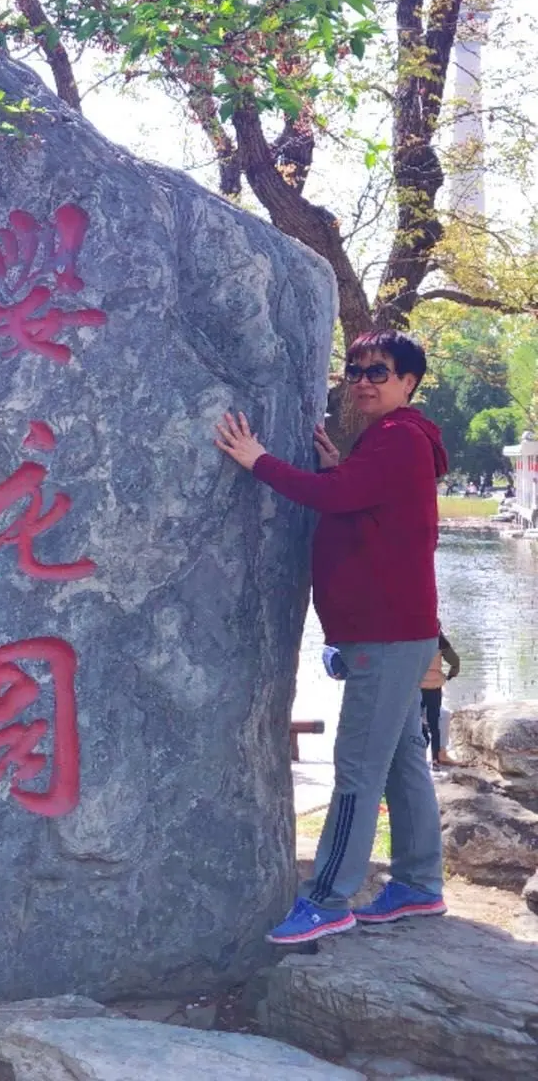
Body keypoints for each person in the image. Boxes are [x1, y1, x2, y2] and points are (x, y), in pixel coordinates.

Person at [216, 329, 449, 944]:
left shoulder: (399, 438)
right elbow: (361, 503)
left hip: (386, 633)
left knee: (358, 769)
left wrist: (258, 460)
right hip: (395, 629)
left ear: (409, 382)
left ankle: (328, 898)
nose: (364, 382)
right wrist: (341, 469)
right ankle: (419, 884)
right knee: (401, 760)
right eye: (356, 370)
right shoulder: (391, 439)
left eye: (380, 371)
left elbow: (334, 496)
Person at [421, 631, 460, 768]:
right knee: (435, 723)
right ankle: (436, 759)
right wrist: (451, 675)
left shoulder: (411, 640)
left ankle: (419, 755)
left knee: (417, 722)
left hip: (416, 688)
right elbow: (455, 661)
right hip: (434, 688)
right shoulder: (439, 640)